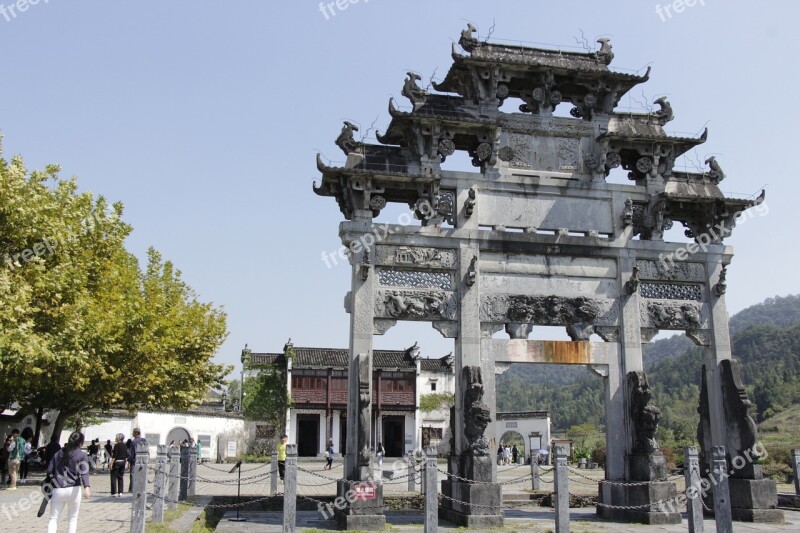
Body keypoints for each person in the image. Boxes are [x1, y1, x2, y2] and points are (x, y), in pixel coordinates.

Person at [46, 431, 90, 533]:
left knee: (54, 518)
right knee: (72, 518)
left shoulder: (58, 453)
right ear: (80, 443)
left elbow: (49, 470)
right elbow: (84, 472)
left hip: (58, 488)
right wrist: (86, 487)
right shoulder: (82, 455)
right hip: (74, 489)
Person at [128, 428, 147, 492]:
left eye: (133, 432)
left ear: (136, 433)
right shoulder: (144, 440)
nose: (132, 433)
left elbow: (131, 453)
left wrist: (130, 461)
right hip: (143, 460)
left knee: (133, 475)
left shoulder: (133, 442)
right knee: (141, 474)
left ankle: (132, 488)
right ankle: (141, 487)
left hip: (134, 460)